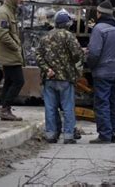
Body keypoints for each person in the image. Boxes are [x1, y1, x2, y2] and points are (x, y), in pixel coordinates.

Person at [36, 11, 84, 144]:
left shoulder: (46, 37)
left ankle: (51, 134)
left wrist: (47, 69)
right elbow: (77, 54)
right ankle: (68, 135)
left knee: (50, 107)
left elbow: (38, 55)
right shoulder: (69, 36)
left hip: (49, 78)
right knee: (67, 107)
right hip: (65, 78)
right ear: (67, 24)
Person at [87, 0, 115, 143]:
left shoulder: (99, 29)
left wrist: (90, 66)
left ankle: (104, 134)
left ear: (99, 13)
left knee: (102, 102)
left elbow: (94, 53)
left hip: (102, 72)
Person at [0, 0, 27, 121]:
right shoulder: (4, 13)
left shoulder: (9, 11)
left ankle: (5, 109)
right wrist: (15, 47)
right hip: (9, 53)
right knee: (19, 81)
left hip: (10, 53)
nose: (21, 0)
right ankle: (5, 108)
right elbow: (2, 34)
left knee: (9, 81)